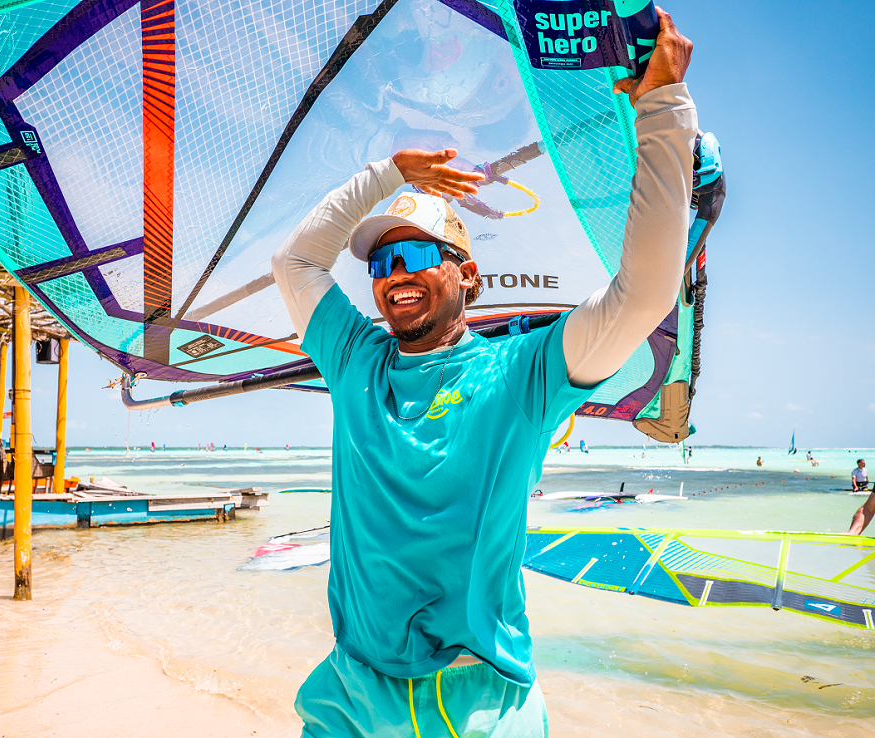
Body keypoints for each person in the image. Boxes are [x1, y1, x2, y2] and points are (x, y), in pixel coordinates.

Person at [272, 9, 694, 737]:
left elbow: (645, 297)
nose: (392, 279)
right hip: (348, 690)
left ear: (466, 274)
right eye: (380, 264)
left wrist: (664, 109)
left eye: (412, 259)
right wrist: (390, 175)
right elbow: (296, 263)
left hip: (469, 702)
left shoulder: (524, 374)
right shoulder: (354, 361)